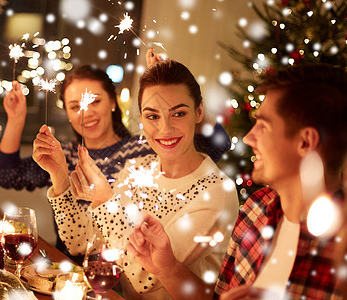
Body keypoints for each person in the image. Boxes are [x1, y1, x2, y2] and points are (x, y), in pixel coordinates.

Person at [127, 63, 347, 300]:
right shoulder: (256, 210)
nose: (250, 137)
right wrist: (167, 268)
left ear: (305, 142)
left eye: (263, 126)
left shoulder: (339, 249)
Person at [35, 59, 239, 299]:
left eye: (179, 113)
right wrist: (59, 177)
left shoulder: (214, 191)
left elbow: (145, 276)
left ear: (199, 112)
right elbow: (81, 241)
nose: (165, 128)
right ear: (141, 118)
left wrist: (104, 200)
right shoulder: (138, 168)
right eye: (153, 116)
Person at [0, 59, 232, 261]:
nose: (86, 113)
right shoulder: (62, 155)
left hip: (130, 268)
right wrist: (16, 119)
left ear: (112, 102)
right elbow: (6, 175)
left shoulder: (145, 150)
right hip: (71, 267)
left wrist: (168, 95)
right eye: (75, 106)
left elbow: (217, 144)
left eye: (94, 101)